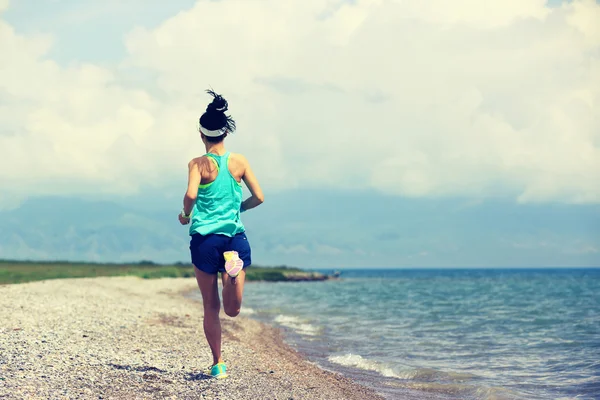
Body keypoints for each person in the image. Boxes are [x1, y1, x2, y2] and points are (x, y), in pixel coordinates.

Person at [178, 89, 264, 379]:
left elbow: (191, 194)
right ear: (224, 134)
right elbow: (259, 197)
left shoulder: (198, 164)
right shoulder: (238, 162)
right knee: (233, 310)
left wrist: (186, 214)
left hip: (205, 239)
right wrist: (238, 208)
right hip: (234, 237)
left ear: (202, 135)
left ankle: (218, 364)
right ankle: (232, 274)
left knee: (211, 306)